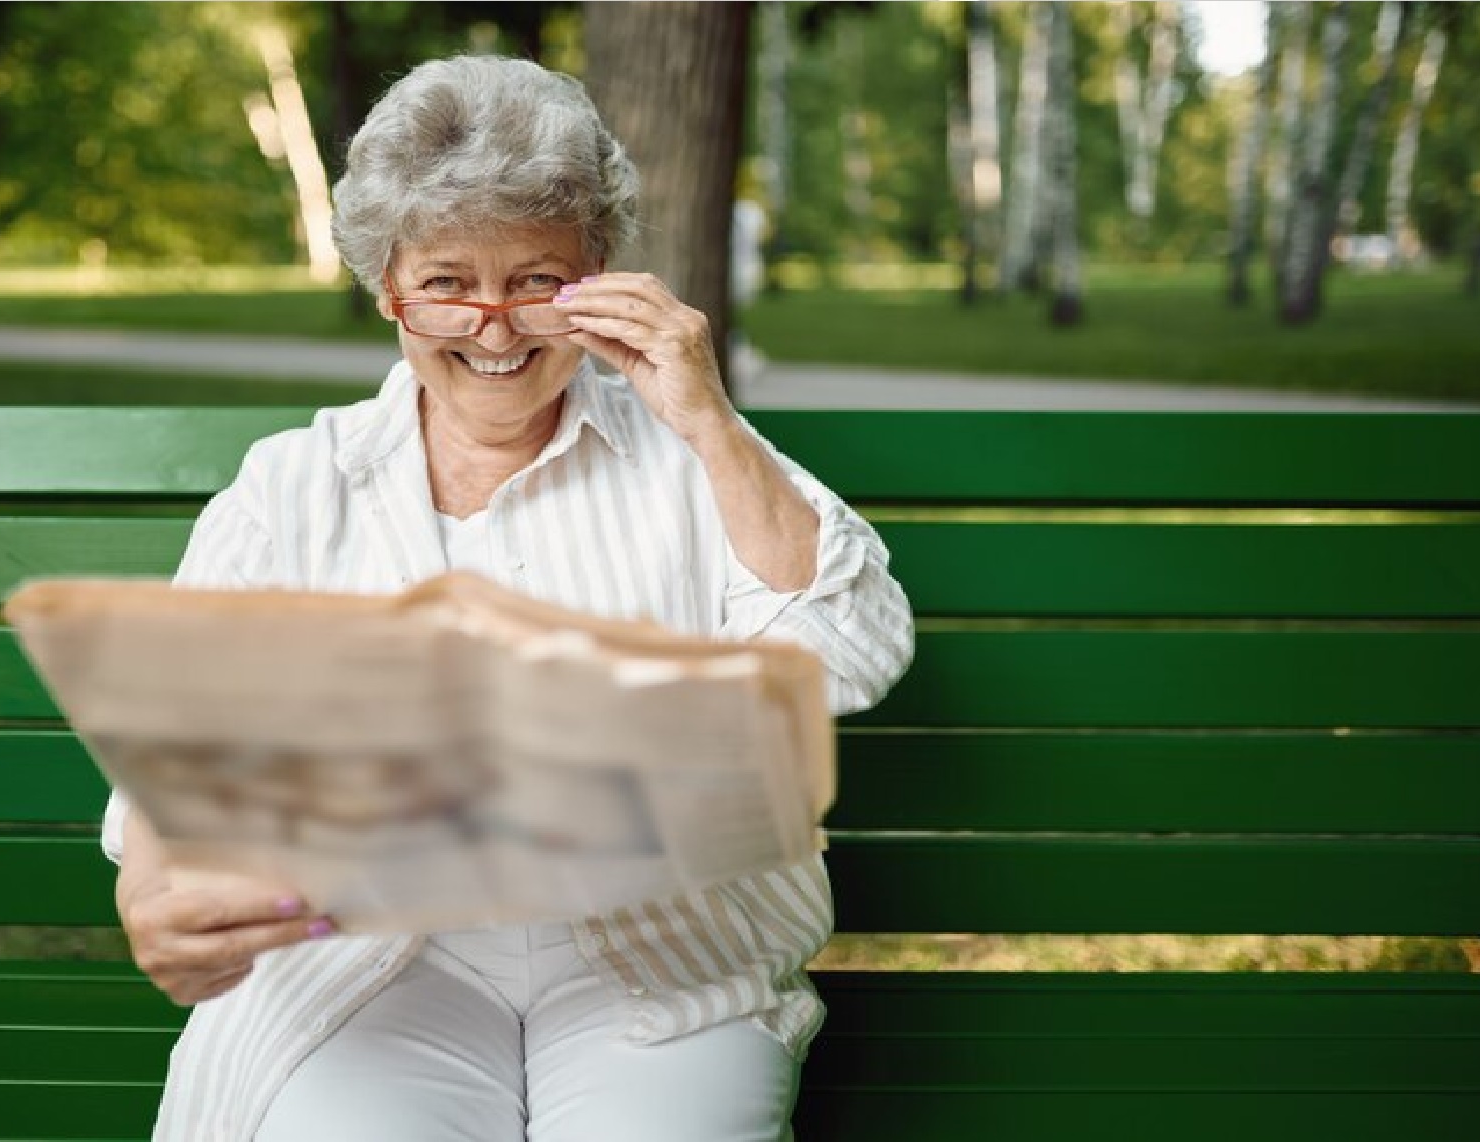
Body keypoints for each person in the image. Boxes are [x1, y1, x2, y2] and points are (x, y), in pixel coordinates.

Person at [102, 54, 914, 1141]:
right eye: (447, 282)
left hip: (667, 959)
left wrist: (713, 422)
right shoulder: (293, 487)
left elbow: (853, 646)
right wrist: (153, 907)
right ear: (386, 284)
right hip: (368, 965)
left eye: (535, 280)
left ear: (600, 273)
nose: (493, 326)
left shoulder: (693, 452)